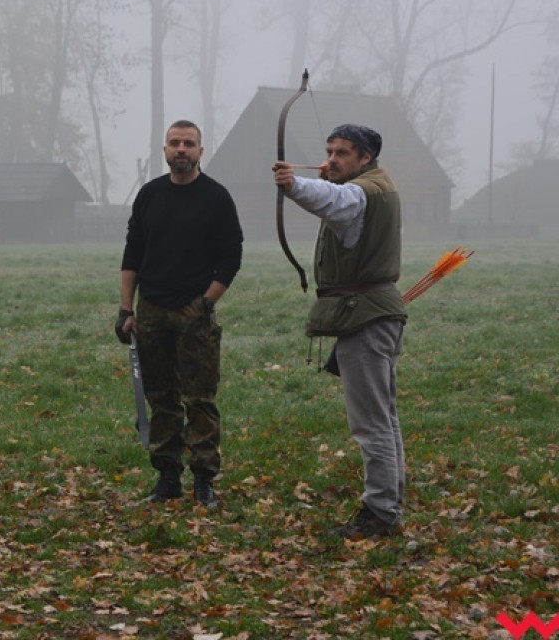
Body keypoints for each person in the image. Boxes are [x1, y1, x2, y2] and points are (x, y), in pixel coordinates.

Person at [272, 124, 407, 540]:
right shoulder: (372, 186)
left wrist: (293, 184)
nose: (331, 160)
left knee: (371, 422)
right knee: (383, 416)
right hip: (372, 313)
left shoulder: (360, 193)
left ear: (365, 158)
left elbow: (330, 197)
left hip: (365, 316)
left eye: (342, 153)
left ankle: (381, 511)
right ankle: (390, 499)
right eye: (328, 151)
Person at [117, 120, 243, 508]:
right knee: (161, 397)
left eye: (189, 143)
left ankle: (204, 480)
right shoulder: (150, 196)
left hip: (195, 309)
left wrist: (206, 303)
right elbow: (132, 253)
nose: (181, 149)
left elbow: (231, 258)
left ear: (201, 151)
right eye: (175, 143)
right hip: (151, 309)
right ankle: (167, 478)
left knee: (200, 398)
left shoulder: (216, 198)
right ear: (165, 150)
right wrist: (125, 310)